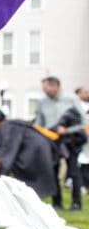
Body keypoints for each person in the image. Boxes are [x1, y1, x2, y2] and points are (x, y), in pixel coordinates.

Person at [0, 110, 58, 198]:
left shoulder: (7, 127)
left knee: (18, 168)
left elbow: (7, 149)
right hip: (38, 148)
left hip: (34, 151)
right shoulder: (9, 125)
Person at [35, 76, 85, 210]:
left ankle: (76, 203)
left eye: (46, 88)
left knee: (74, 172)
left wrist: (67, 130)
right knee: (52, 172)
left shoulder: (72, 99)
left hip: (70, 140)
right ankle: (57, 203)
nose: (44, 91)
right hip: (51, 141)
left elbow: (83, 122)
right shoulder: (42, 102)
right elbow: (39, 123)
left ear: (55, 86)